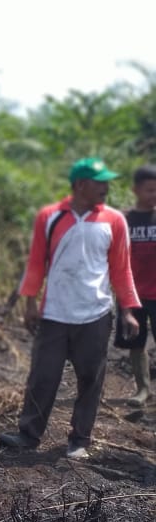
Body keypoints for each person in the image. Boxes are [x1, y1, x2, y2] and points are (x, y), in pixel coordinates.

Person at [0, 157, 141, 460]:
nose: (106, 187)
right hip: (54, 314)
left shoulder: (113, 220)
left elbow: (121, 269)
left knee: (91, 379)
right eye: (100, 181)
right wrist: (30, 302)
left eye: (107, 181)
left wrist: (128, 309)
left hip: (95, 314)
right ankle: (28, 434)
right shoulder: (50, 217)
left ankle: (79, 440)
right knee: (43, 376)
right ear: (80, 185)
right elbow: (36, 263)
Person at [115, 165, 156, 406]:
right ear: (136, 190)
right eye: (150, 190)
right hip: (132, 294)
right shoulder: (124, 220)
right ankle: (143, 389)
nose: (154, 195)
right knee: (136, 343)